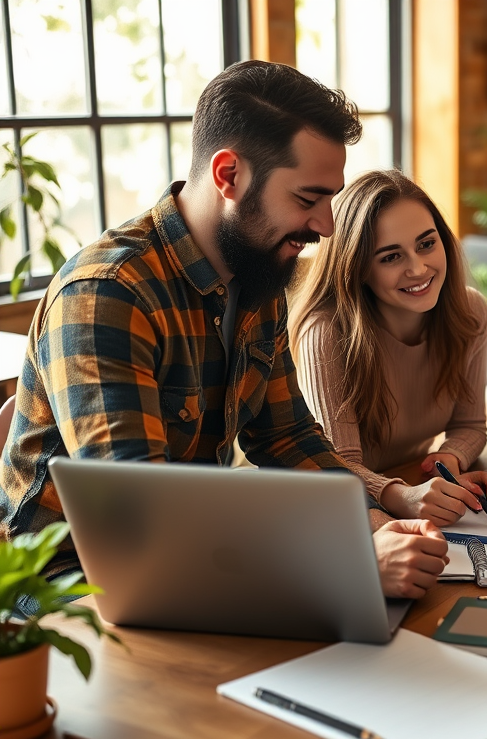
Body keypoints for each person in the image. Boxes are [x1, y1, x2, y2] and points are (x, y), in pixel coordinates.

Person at [0, 61, 448, 600]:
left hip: (186, 563)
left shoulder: (255, 272)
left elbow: (286, 438)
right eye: (308, 199)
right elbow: (142, 523)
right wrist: (347, 562)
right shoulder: (106, 295)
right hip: (63, 592)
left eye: (331, 198)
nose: (326, 225)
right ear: (228, 175)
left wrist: (377, 524)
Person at [289, 169, 487, 525]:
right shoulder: (325, 331)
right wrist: (404, 495)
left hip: (408, 484)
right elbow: (338, 466)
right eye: (391, 257)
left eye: (427, 243)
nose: (418, 268)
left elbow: (470, 425)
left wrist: (447, 464)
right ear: (358, 268)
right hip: (328, 511)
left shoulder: (470, 312)